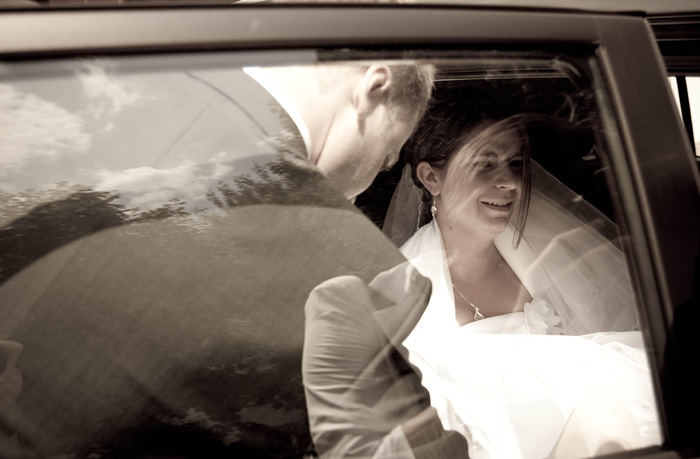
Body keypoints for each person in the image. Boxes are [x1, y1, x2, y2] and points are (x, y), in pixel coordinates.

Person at [0, 56, 458, 458]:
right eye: (389, 151)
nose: (381, 168)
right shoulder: (347, 268)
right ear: (374, 85)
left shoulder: (60, 84)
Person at [386, 100, 661, 458]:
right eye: (485, 164)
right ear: (431, 178)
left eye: (515, 164)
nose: (511, 182)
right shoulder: (402, 289)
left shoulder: (545, 251)